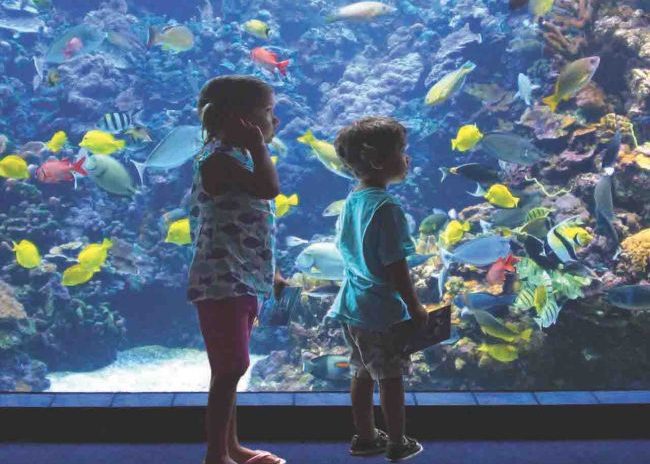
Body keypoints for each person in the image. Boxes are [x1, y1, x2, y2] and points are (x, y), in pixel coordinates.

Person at [188, 75, 287, 464]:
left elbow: (252, 220)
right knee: (231, 367)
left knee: (230, 368)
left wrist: (271, 271)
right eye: (267, 112)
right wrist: (260, 149)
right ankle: (217, 455)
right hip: (222, 280)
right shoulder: (217, 160)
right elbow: (267, 189)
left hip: (242, 277)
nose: (274, 121)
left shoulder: (233, 157)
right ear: (237, 118)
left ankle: (231, 446)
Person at [326, 116, 428, 462]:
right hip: (382, 310)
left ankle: (366, 437)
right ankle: (398, 442)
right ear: (378, 160)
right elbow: (396, 266)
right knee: (392, 376)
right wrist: (414, 307)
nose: (407, 158)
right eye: (401, 150)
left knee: (361, 370)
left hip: (353, 306)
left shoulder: (352, 200)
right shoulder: (387, 207)